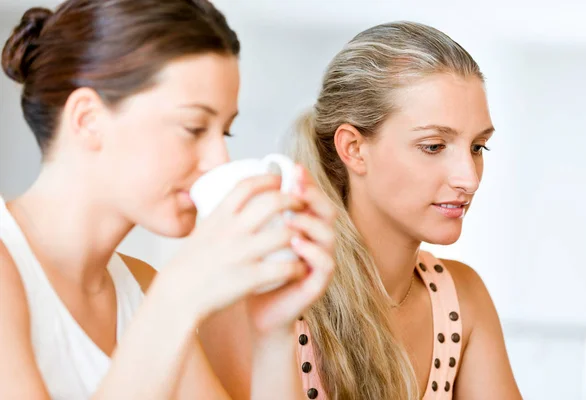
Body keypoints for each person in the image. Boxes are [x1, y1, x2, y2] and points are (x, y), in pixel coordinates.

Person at [0, 1, 336, 399]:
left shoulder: (142, 288)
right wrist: (177, 298)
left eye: (223, 133)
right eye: (193, 128)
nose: (219, 162)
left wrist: (271, 333)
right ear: (88, 119)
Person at [199, 21, 522, 400]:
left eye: (477, 147)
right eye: (434, 146)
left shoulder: (462, 299)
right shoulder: (264, 300)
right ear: (353, 148)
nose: (469, 178)